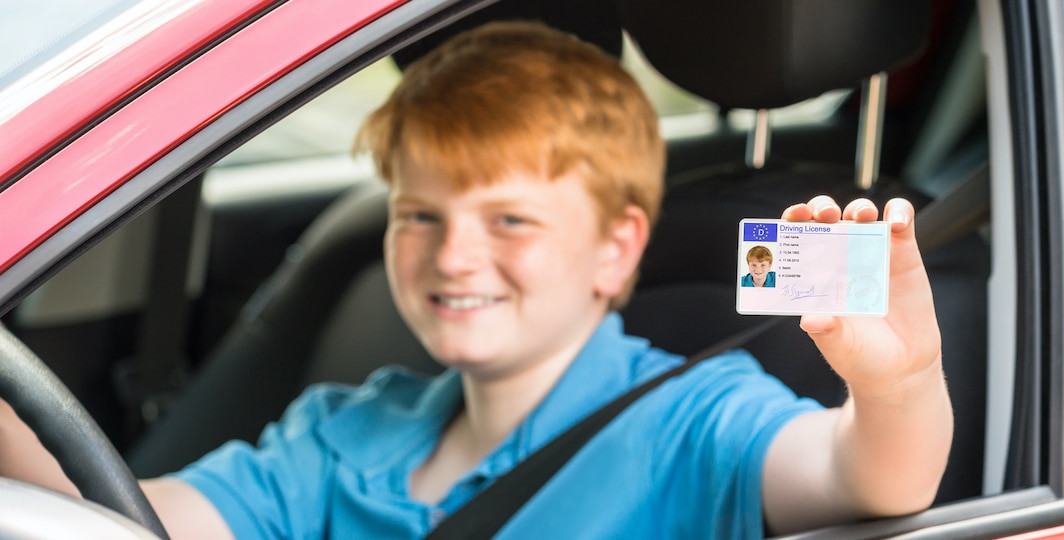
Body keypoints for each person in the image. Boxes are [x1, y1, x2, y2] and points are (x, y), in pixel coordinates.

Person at [0, 21, 952, 539]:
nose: (452, 256)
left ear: (617, 248)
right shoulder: (349, 431)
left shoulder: (689, 421)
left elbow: (863, 477)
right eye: (418, 216)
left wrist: (895, 384)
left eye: (509, 222)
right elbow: (124, 518)